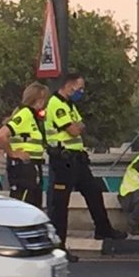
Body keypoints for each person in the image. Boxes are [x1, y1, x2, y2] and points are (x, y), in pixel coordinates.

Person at [46, 73, 126, 260]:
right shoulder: (56, 104)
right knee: (60, 206)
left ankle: (103, 229)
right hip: (63, 161)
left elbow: (81, 125)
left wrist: (77, 126)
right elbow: (74, 129)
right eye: (79, 88)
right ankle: (59, 247)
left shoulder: (69, 105)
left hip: (76, 159)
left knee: (94, 192)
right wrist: (76, 126)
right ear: (68, 86)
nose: (81, 92)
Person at [0, 82, 49, 209]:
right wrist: (12, 153)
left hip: (32, 166)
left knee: (33, 202)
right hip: (25, 168)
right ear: (37, 99)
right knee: (25, 203)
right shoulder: (26, 114)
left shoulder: (32, 117)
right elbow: (1, 135)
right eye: (43, 99)